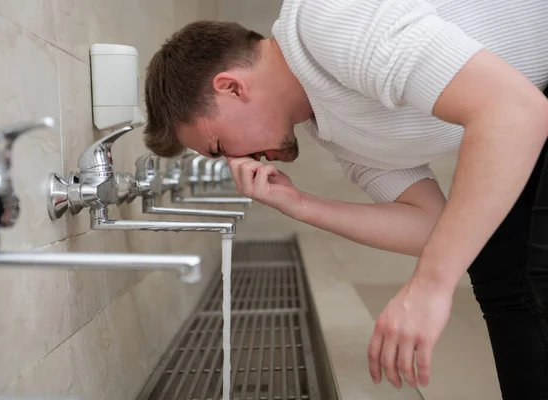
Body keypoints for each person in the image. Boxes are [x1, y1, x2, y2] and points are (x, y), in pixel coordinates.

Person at [142, 0, 548, 398]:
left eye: (219, 146)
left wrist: (429, 288)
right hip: (532, 98)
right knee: (502, 277)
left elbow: (514, 112)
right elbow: (434, 227)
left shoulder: (330, 18)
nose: (236, 162)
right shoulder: (336, 131)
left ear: (231, 87)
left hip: (530, 99)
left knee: (530, 276)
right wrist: (299, 204)